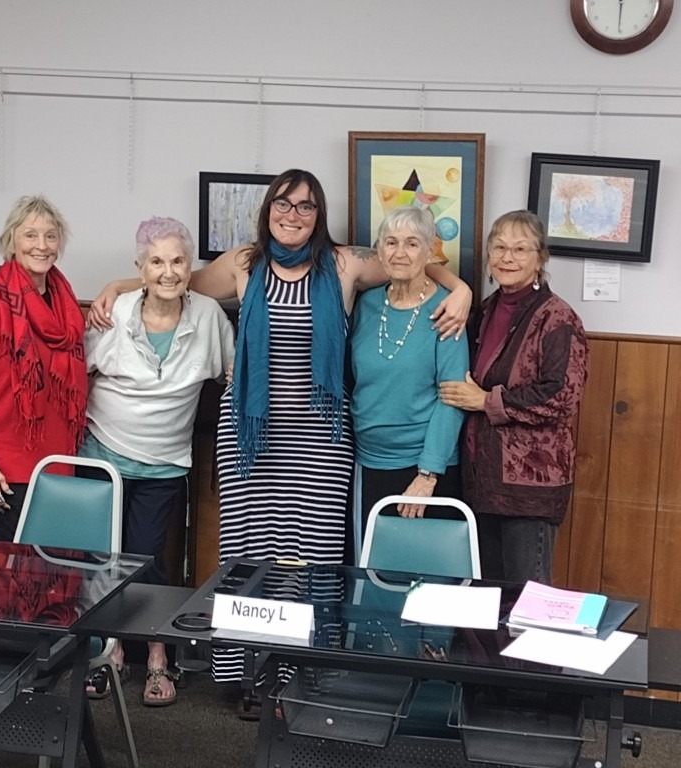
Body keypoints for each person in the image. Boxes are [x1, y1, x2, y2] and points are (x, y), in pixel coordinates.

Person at [88, 169, 471, 705]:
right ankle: (245, 676)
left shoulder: (344, 264)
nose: (293, 215)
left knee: (310, 562)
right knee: (247, 559)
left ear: (319, 214)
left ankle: (297, 675)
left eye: (306, 206)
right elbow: (177, 281)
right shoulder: (244, 263)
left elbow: (407, 258)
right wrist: (117, 285)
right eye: (284, 204)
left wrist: (462, 289)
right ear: (268, 210)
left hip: (319, 439)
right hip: (250, 436)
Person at [80, 216, 234, 706]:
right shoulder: (115, 312)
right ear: (140, 268)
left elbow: (234, 376)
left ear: (190, 267)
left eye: (178, 261)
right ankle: (106, 654)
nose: (168, 272)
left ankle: (156, 656)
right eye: (157, 262)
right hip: (103, 457)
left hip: (164, 464)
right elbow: (77, 373)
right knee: (100, 561)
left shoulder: (208, 317)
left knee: (147, 562)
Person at [439, 210, 589, 585]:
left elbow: (561, 396)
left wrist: (485, 401)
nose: (508, 258)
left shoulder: (558, 318)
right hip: (482, 478)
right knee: (485, 594)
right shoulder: (485, 310)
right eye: (500, 247)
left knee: (527, 595)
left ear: (540, 258)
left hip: (531, 485)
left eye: (520, 249)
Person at [0, 195, 86, 543]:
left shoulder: (65, 302)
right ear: (11, 241)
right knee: (21, 565)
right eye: (30, 235)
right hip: (6, 466)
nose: (42, 245)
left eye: (50, 236)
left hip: (58, 462)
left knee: (56, 564)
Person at [349, 206, 469, 556]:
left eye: (412, 243)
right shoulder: (366, 305)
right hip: (367, 463)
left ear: (430, 251)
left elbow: (452, 399)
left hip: (423, 467)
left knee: (421, 576)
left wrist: (428, 475)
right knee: (369, 571)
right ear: (379, 250)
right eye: (391, 242)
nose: (400, 252)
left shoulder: (447, 311)